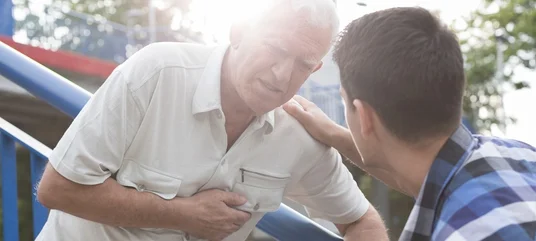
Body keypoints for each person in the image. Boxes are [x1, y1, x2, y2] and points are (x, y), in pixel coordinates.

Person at [34, 0, 388, 240]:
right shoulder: (157, 73)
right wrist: (182, 214)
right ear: (238, 32)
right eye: (276, 50)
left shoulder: (299, 135)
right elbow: (58, 189)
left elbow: (360, 220)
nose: (282, 75)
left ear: (315, 68)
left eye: (301, 64)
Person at [284, 6, 536, 241]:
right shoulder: (524, 159)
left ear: (363, 115)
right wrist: (334, 134)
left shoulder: (466, 233)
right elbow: (418, 173)